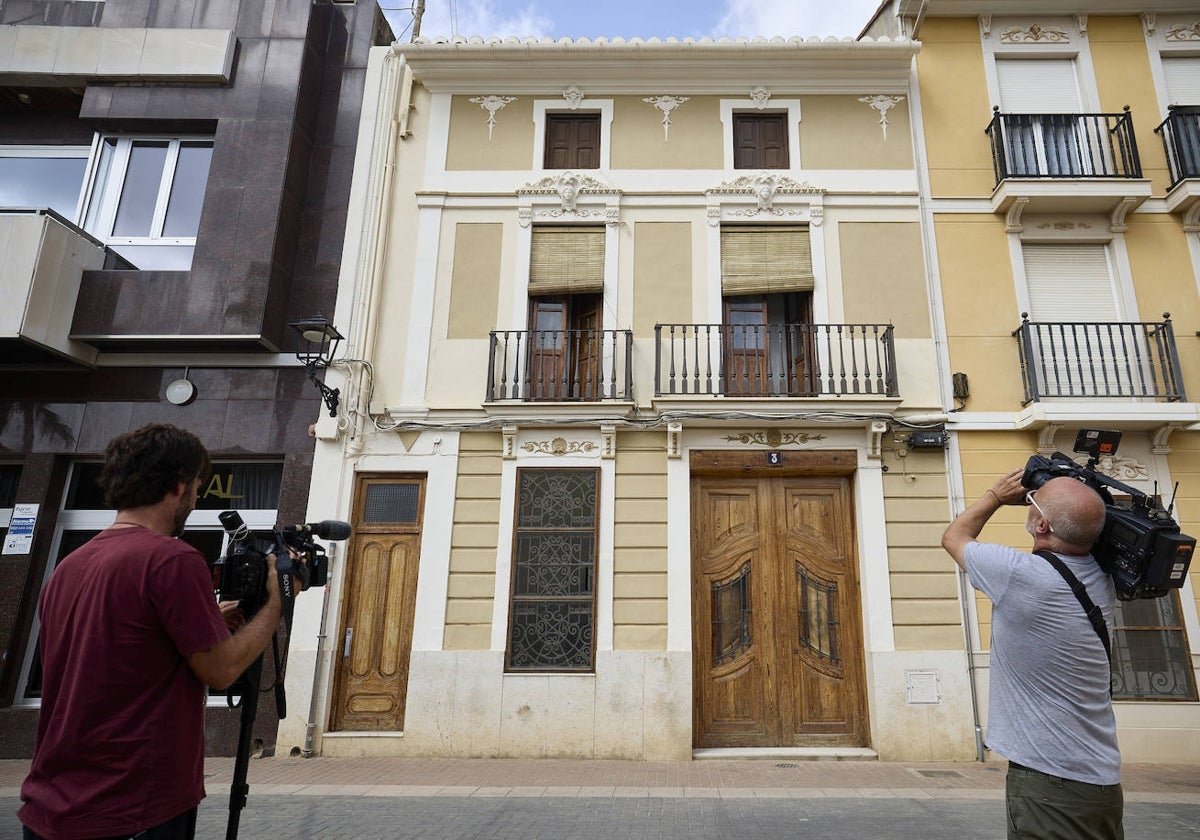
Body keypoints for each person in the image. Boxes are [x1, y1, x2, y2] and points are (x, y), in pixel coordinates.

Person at [19, 424, 283, 840]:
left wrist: (206, 617)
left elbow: (119, 645)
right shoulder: (171, 559)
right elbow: (222, 669)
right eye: (197, 487)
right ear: (179, 486)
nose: (196, 499)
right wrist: (275, 606)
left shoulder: (70, 566)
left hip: (52, 806)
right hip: (134, 806)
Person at [942, 467, 1123, 840]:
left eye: (1032, 503)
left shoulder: (1019, 575)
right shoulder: (1103, 577)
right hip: (1102, 781)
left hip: (1049, 783)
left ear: (1042, 526)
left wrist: (995, 495)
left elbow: (954, 536)